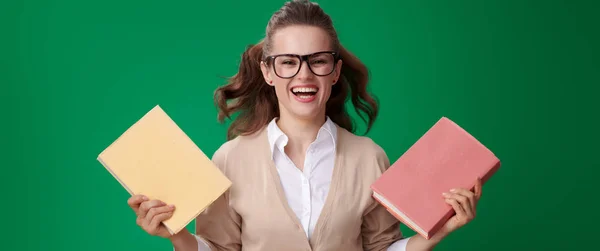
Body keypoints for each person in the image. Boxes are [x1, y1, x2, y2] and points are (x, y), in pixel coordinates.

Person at [127, 1, 483, 250]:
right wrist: (175, 235)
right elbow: (219, 250)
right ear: (268, 71)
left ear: (335, 71)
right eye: (288, 62)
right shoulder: (229, 159)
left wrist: (439, 231)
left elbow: (382, 250)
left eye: (318, 60)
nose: (305, 74)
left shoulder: (369, 157)